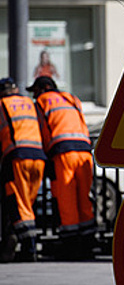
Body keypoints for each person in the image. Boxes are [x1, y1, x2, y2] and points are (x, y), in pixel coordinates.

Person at [26, 76, 96, 260]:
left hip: (63, 153)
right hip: (85, 152)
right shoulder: (71, 98)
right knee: (84, 199)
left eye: (35, 91)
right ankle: (88, 243)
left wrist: (47, 155)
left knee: (67, 202)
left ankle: (71, 247)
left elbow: (43, 130)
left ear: (44, 88)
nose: (35, 96)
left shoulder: (42, 101)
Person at [0, 77, 47, 262]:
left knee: (18, 204)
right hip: (38, 157)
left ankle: (29, 248)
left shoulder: (2, 104)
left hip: (17, 156)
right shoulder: (29, 103)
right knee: (29, 203)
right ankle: (27, 245)